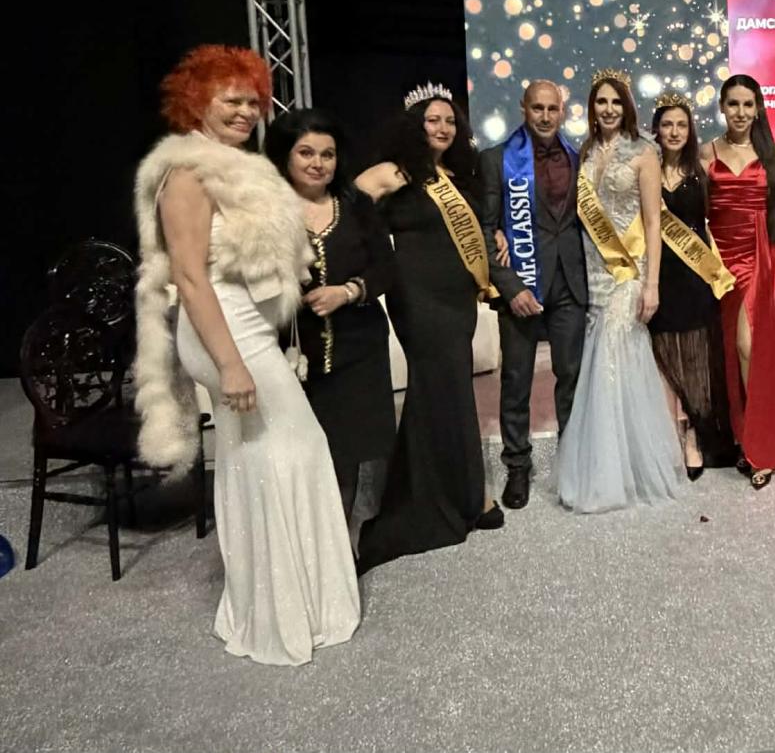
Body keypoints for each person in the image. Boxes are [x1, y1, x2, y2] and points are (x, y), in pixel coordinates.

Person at [133, 45, 359, 665]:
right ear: (196, 102)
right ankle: (282, 610)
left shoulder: (238, 168)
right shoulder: (186, 174)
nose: (244, 110)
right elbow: (190, 276)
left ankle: (282, 602)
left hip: (247, 328)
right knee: (291, 450)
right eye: (229, 99)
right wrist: (230, 364)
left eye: (253, 100)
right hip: (225, 332)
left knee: (254, 456)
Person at [355, 83, 502, 571]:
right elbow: (346, 209)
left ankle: (462, 492)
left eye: (449, 121)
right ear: (414, 126)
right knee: (441, 387)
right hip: (418, 298)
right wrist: (377, 255)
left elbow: (472, 229)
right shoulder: (395, 172)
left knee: (448, 391)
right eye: (432, 120)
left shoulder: (459, 175)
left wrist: (498, 236)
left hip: (457, 300)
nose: (442, 128)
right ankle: (452, 499)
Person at [265, 109, 397, 545]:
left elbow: (386, 268)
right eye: (306, 153)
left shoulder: (356, 206)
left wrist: (349, 291)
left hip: (358, 349)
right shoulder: (265, 212)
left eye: (328, 154)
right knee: (299, 453)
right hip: (292, 356)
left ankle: (339, 550)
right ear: (285, 156)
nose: (318, 163)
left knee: (347, 450)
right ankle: (300, 547)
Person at [556, 69, 685, 512]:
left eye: (615, 102)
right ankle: (608, 462)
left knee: (615, 355)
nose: (608, 109)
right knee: (600, 359)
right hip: (593, 270)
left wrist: (652, 283)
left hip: (629, 270)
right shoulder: (586, 151)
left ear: (626, 107)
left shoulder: (644, 153)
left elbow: (653, 222)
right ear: (591, 107)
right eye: (601, 102)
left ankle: (619, 473)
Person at [476, 80, 587, 511]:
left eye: (551, 109)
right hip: (521, 284)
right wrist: (510, 286)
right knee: (517, 379)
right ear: (523, 108)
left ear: (562, 111)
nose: (544, 116)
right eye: (537, 108)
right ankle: (518, 465)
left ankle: (573, 462)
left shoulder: (579, 157)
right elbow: (485, 231)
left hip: (570, 284)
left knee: (571, 376)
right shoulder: (496, 160)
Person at [702, 74, 775, 490]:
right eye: (733, 104)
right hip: (721, 260)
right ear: (722, 107)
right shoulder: (706, 153)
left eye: (747, 104)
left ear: (758, 108)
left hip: (763, 256)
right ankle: (744, 438)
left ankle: (761, 446)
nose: (740, 112)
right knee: (728, 352)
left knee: (748, 347)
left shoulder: (770, 153)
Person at [648, 92, 738, 477]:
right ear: (656, 129)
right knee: (666, 357)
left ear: (690, 130)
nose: (674, 131)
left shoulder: (702, 170)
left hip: (696, 274)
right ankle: (672, 433)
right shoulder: (648, 169)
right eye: (667, 124)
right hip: (661, 273)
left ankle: (695, 435)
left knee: (697, 357)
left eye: (681, 125)